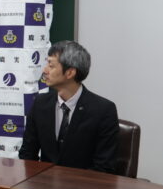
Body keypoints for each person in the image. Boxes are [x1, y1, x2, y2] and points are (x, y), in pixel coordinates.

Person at [19, 40, 119, 173]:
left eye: (51, 65)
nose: (45, 70)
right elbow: (27, 154)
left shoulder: (104, 110)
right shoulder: (40, 104)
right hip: (43, 183)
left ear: (70, 73)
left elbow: (104, 167)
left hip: (83, 184)